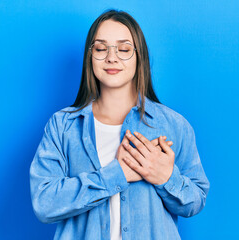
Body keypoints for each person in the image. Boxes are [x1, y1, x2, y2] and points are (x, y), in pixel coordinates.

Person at [29, 9, 210, 240]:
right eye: (101, 48)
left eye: (124, 49)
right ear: (89, 56)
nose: (111, 58)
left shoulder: (174, 125)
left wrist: (166, 177)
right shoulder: (62, 126)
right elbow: (44, 203)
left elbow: (196, 200)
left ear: (139, 56)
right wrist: (117, 174)